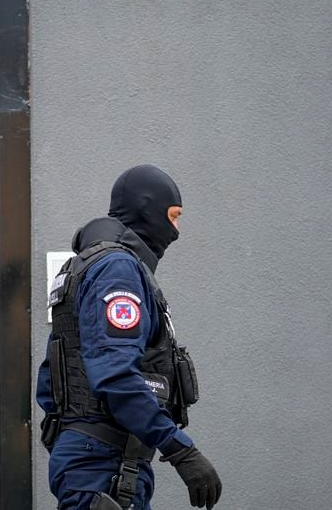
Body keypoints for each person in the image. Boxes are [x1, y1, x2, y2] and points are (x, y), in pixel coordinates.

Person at [37, 165, 222, 509]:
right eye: (173, 216)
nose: (176, 232)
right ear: (147, 208)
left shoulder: (87, 265)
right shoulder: (116, 269)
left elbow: (53, 383)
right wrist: (181, 449)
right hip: (102, 464)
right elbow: (115, 374)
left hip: (98, 461)